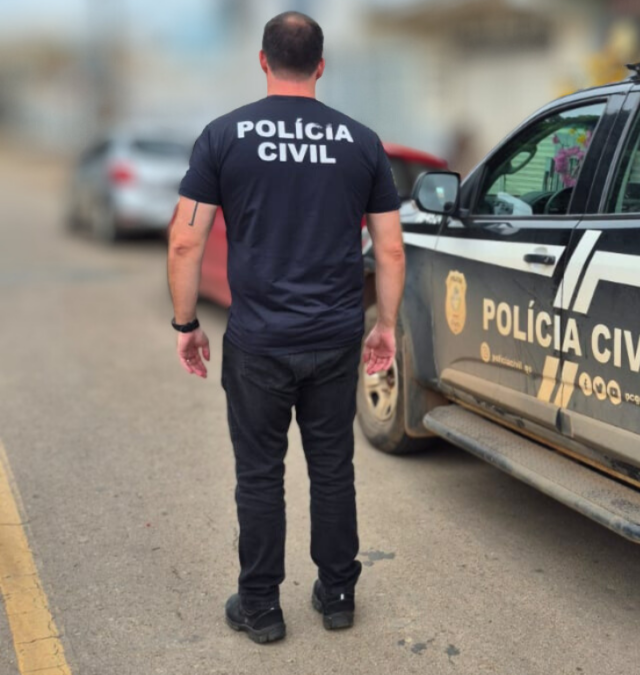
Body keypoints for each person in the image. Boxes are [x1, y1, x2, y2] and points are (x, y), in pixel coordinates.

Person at [166, 11, 406, 644]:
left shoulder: (224, 136)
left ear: (263, 61)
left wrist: (186, 323)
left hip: (258, 342)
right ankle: (338, 594)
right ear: (321, 66)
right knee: (332, 468)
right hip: (334, 338)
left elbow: (185, 242)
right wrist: (384, 324)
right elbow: (390, 248)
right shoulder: (361, 141)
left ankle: (261, 607)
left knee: (259, 475)